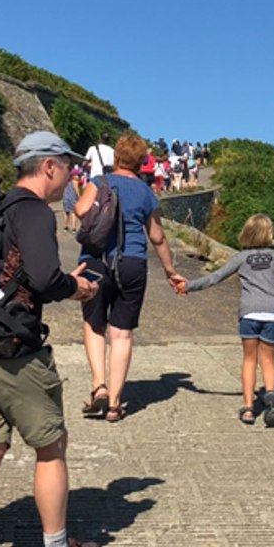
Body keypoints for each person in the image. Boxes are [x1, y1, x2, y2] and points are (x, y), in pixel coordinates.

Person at [0, 131, 101, 547]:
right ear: (48, 166)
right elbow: (45, 279)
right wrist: (78, 287)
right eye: (68, 167)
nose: (71, 176)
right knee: (51, 448)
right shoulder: (33, 211)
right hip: (13, 353)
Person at [74, 133, 186, 423]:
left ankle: (99, 386)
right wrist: (170, 271)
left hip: (96, 261)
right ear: (141, 162)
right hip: (133, 263)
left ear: (116, 157)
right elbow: (158, 237)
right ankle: (114, 404)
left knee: (94, 324)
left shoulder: (99, 182)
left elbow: (80, 210)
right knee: (121, 333)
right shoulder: (146, 192)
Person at [181, 214, 274, 426]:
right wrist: (272, 290)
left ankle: (248, 408)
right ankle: (271, 398)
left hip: (249, 313)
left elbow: (215, 277)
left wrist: (188, 286)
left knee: (249, 360)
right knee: (268, 360)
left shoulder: (241, 258)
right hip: (273, 313)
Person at [61, 163, 83, 232]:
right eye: (77, 175)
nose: (79, 176)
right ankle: (73, 228)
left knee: (66, 212)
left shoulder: (67, 180)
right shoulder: (75, 181)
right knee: (73, 213)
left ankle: (65, 227)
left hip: (66, 197)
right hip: (72, 198)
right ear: (73, 175)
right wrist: (79, 197)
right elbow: (76, 190)